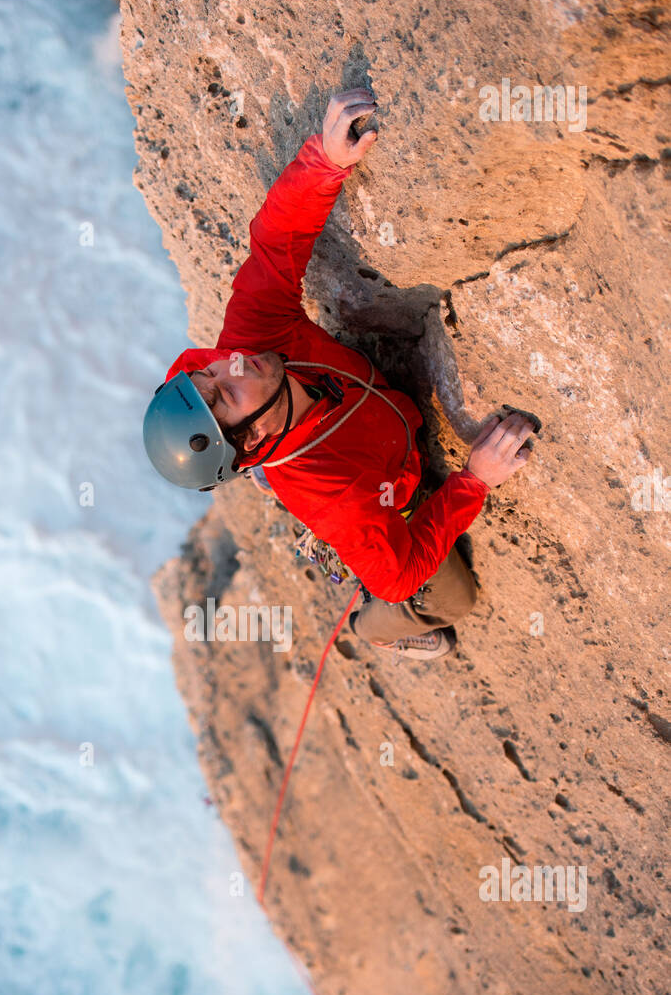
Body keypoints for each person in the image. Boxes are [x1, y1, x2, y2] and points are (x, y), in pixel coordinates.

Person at [143, 88, 536, 662]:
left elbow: (275, 246)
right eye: (226, 390)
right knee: (452, 597)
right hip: (380, 497)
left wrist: (323, 162)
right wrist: (473, 480)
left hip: (370, 444)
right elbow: (401, 578)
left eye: (207, 377)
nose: (231, 363)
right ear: (252, 436)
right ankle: (372, 631)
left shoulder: (249, 345)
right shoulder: (339, 500)